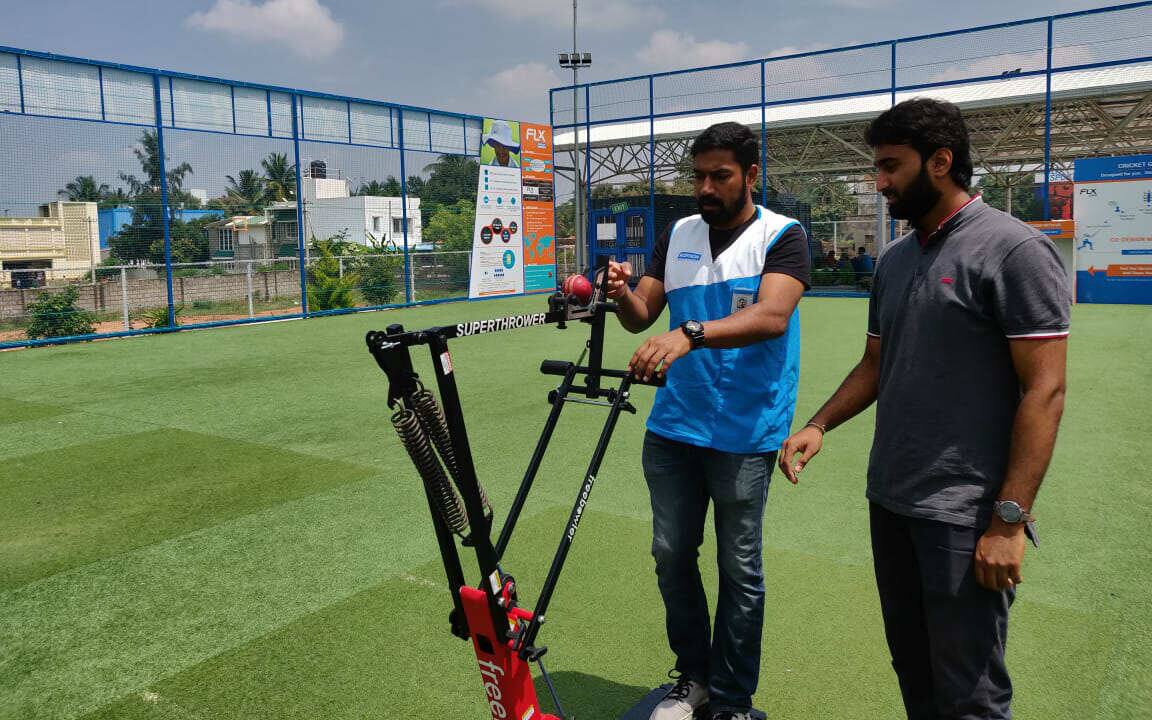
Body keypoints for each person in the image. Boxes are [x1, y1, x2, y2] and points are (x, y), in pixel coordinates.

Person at [779, 98, 1070, 720]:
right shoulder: (895, 258)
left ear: (941, 162)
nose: (878, 182)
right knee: (913, 669)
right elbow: (876, 365)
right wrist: (818, 424)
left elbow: (1045, 391)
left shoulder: (1013, 250)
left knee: (969, 690)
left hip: (965, 514)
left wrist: (1010, 520)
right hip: (892, 498)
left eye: (890, 166)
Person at [605, 121, 810, 720]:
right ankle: (693, 678)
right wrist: (622, 292)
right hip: (674, 428)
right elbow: (643, 314)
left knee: (739, 569)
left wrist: (691, 333)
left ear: (750, 175)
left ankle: (734, 700)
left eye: (719, 175)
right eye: (697, 175)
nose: (705, 187)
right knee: (671, 553)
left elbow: (772, 316)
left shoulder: (783, 236)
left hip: (746, 432)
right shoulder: (678, 234)